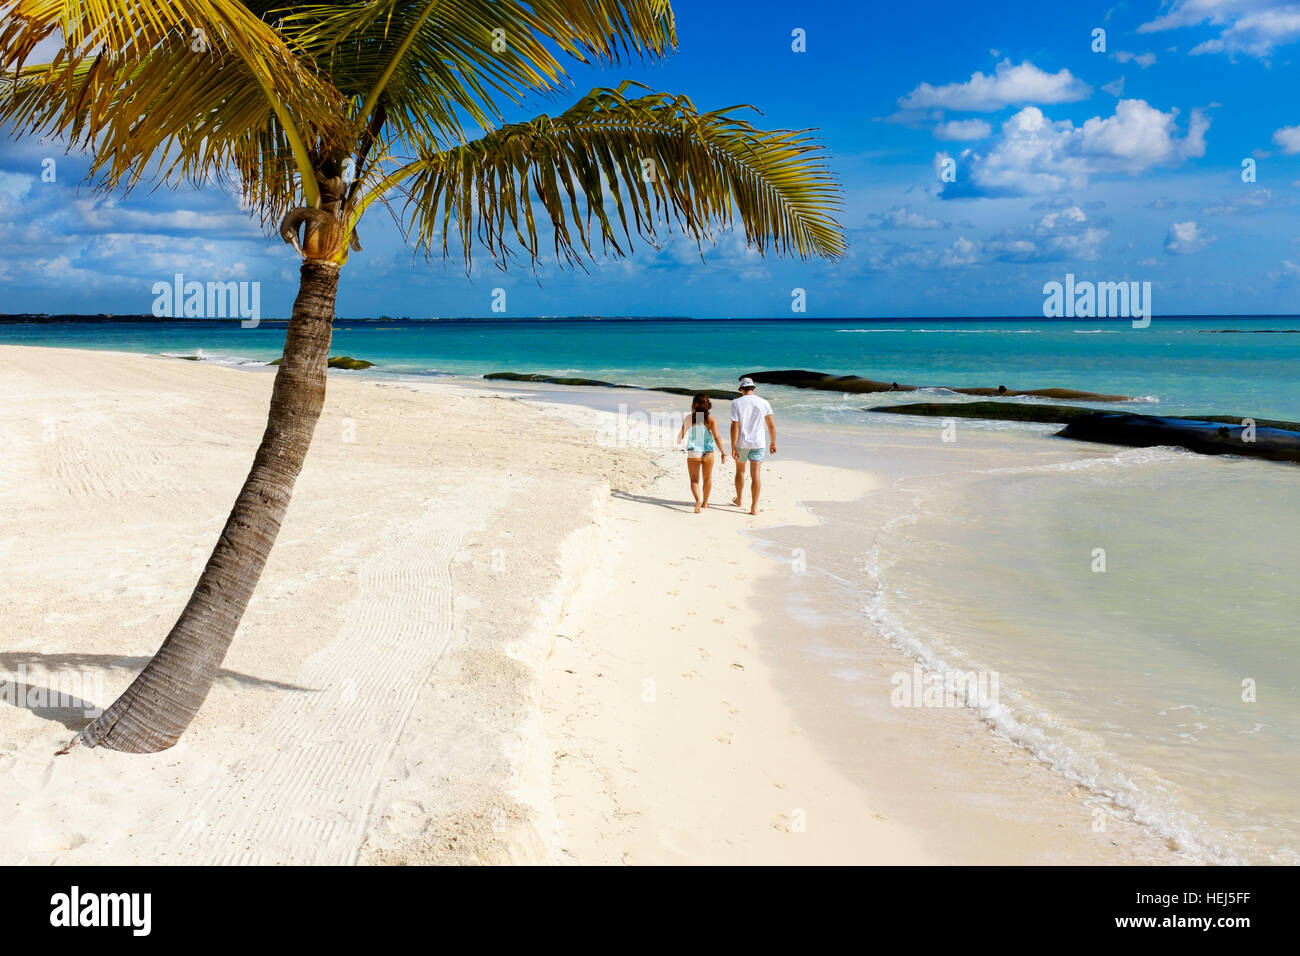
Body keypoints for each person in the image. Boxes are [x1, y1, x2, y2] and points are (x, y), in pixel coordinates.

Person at [730, 377, 776, 515]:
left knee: (740, 472)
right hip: (758, 443)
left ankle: (739, 499)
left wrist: (733, 446)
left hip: (742, 443)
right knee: (756, 475)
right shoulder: (764, 402)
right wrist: (773, 442)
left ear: (741, 389)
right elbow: (771, 426)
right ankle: (754, 507)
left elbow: (735, 425)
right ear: (753, 388)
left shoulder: (736, 402)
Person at [676, 393, 727, 513]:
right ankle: (705, 503)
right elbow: (717, 437)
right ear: (708, 405)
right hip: (708, 452)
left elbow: (681, 434)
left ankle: (698, 500)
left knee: (694, 480)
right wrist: (723, 452)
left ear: (694, 404)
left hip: (694, 453)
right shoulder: (710, 419)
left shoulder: (689, 418)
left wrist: (679, 440)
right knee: (707, 478)